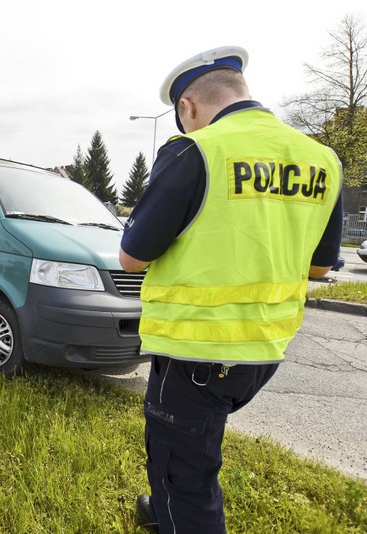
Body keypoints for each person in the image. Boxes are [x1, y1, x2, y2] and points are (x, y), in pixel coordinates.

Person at [120, 47, 343, 533]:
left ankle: (176, 512)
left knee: (185, 474)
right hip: (265, 348)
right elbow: (322, 266)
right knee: (197, 442)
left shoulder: (194, 151)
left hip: (196, 350)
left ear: (188, 108)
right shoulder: (322, 159)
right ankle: (164, 508)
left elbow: (132, 256)